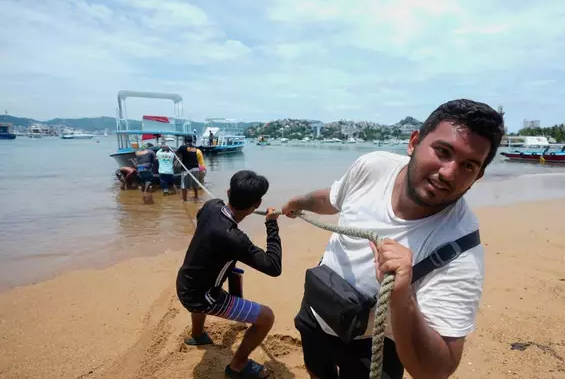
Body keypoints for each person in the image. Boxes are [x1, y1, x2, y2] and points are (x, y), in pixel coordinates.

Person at [281, 99, 505, 379]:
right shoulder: (373, 167)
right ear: (414, 142)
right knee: (317, 370)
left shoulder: (459, 249)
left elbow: (435, 371)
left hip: (371, 345)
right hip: (317, 307)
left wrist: (403, 296)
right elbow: (334, 197)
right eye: (443, 151)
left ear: (478, 176)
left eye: (468, 166)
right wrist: (296, 203)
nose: (448, 173)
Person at [176, 170, 281, 379]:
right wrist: (271, 224)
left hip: (184, 282)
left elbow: (202, 223)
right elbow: (273, 266)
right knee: (267, 317)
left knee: (205, 285)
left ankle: (198, 335)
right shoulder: (235, 239)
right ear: (257, 204)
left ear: (228, 191)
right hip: (201, 297)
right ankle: (238, 366)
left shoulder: (211, 206)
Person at [175, 137, 201, 201]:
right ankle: (196, 197)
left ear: (184, 141)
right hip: (196, 168)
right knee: (195, 184)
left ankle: (184, 200)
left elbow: (176, 153)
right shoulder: (194, 148)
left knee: (184, 185)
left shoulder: (182, 147)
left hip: (187, 169)